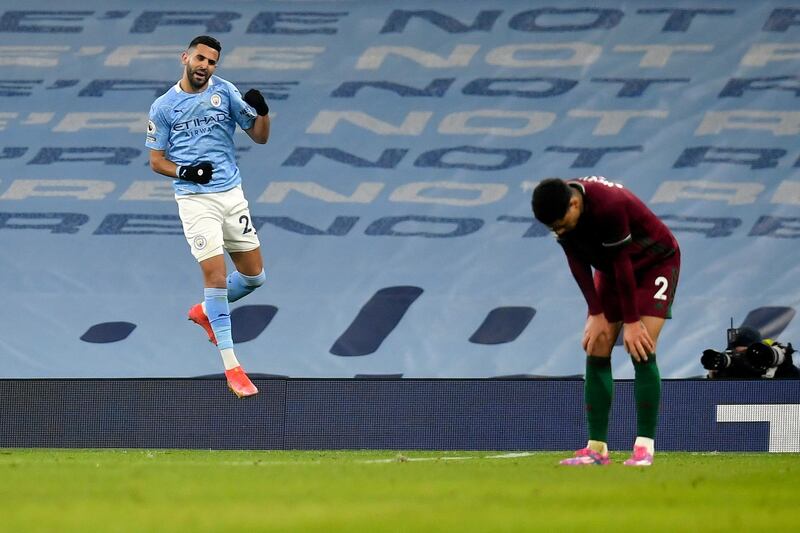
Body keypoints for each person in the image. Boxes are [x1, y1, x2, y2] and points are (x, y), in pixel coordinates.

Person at [145, 35, 271, 398]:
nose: (205, 66)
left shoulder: (225, 92)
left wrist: (263, 113)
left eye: (212, 62)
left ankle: (205, 311)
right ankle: (233, 369)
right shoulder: (164, 107)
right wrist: (187, 172)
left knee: (254, 278)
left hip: (232, 196)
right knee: (215, 277)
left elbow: (260, 137)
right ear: (185, 57)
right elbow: (156, 161)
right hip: (195, 202)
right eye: (200, 58)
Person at [531, 176, 680, 466]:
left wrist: (633, 322)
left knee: (640, 347)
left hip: (654, 263)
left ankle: (644, 448)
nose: (559, 231)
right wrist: (595, 312)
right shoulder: (562, 210)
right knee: (596, 345)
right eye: (554, 229)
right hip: (613, 267)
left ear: (574, 203)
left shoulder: (608, 205)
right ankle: (597, 449)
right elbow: (577, 261)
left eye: (561, 224)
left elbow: (624, 264)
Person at [702, 326, 799, 379]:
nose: (741, 358)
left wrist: (782, 361)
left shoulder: (777, 369)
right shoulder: (730, 374)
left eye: (747, 353)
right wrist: (713, 377)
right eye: (736, 354)